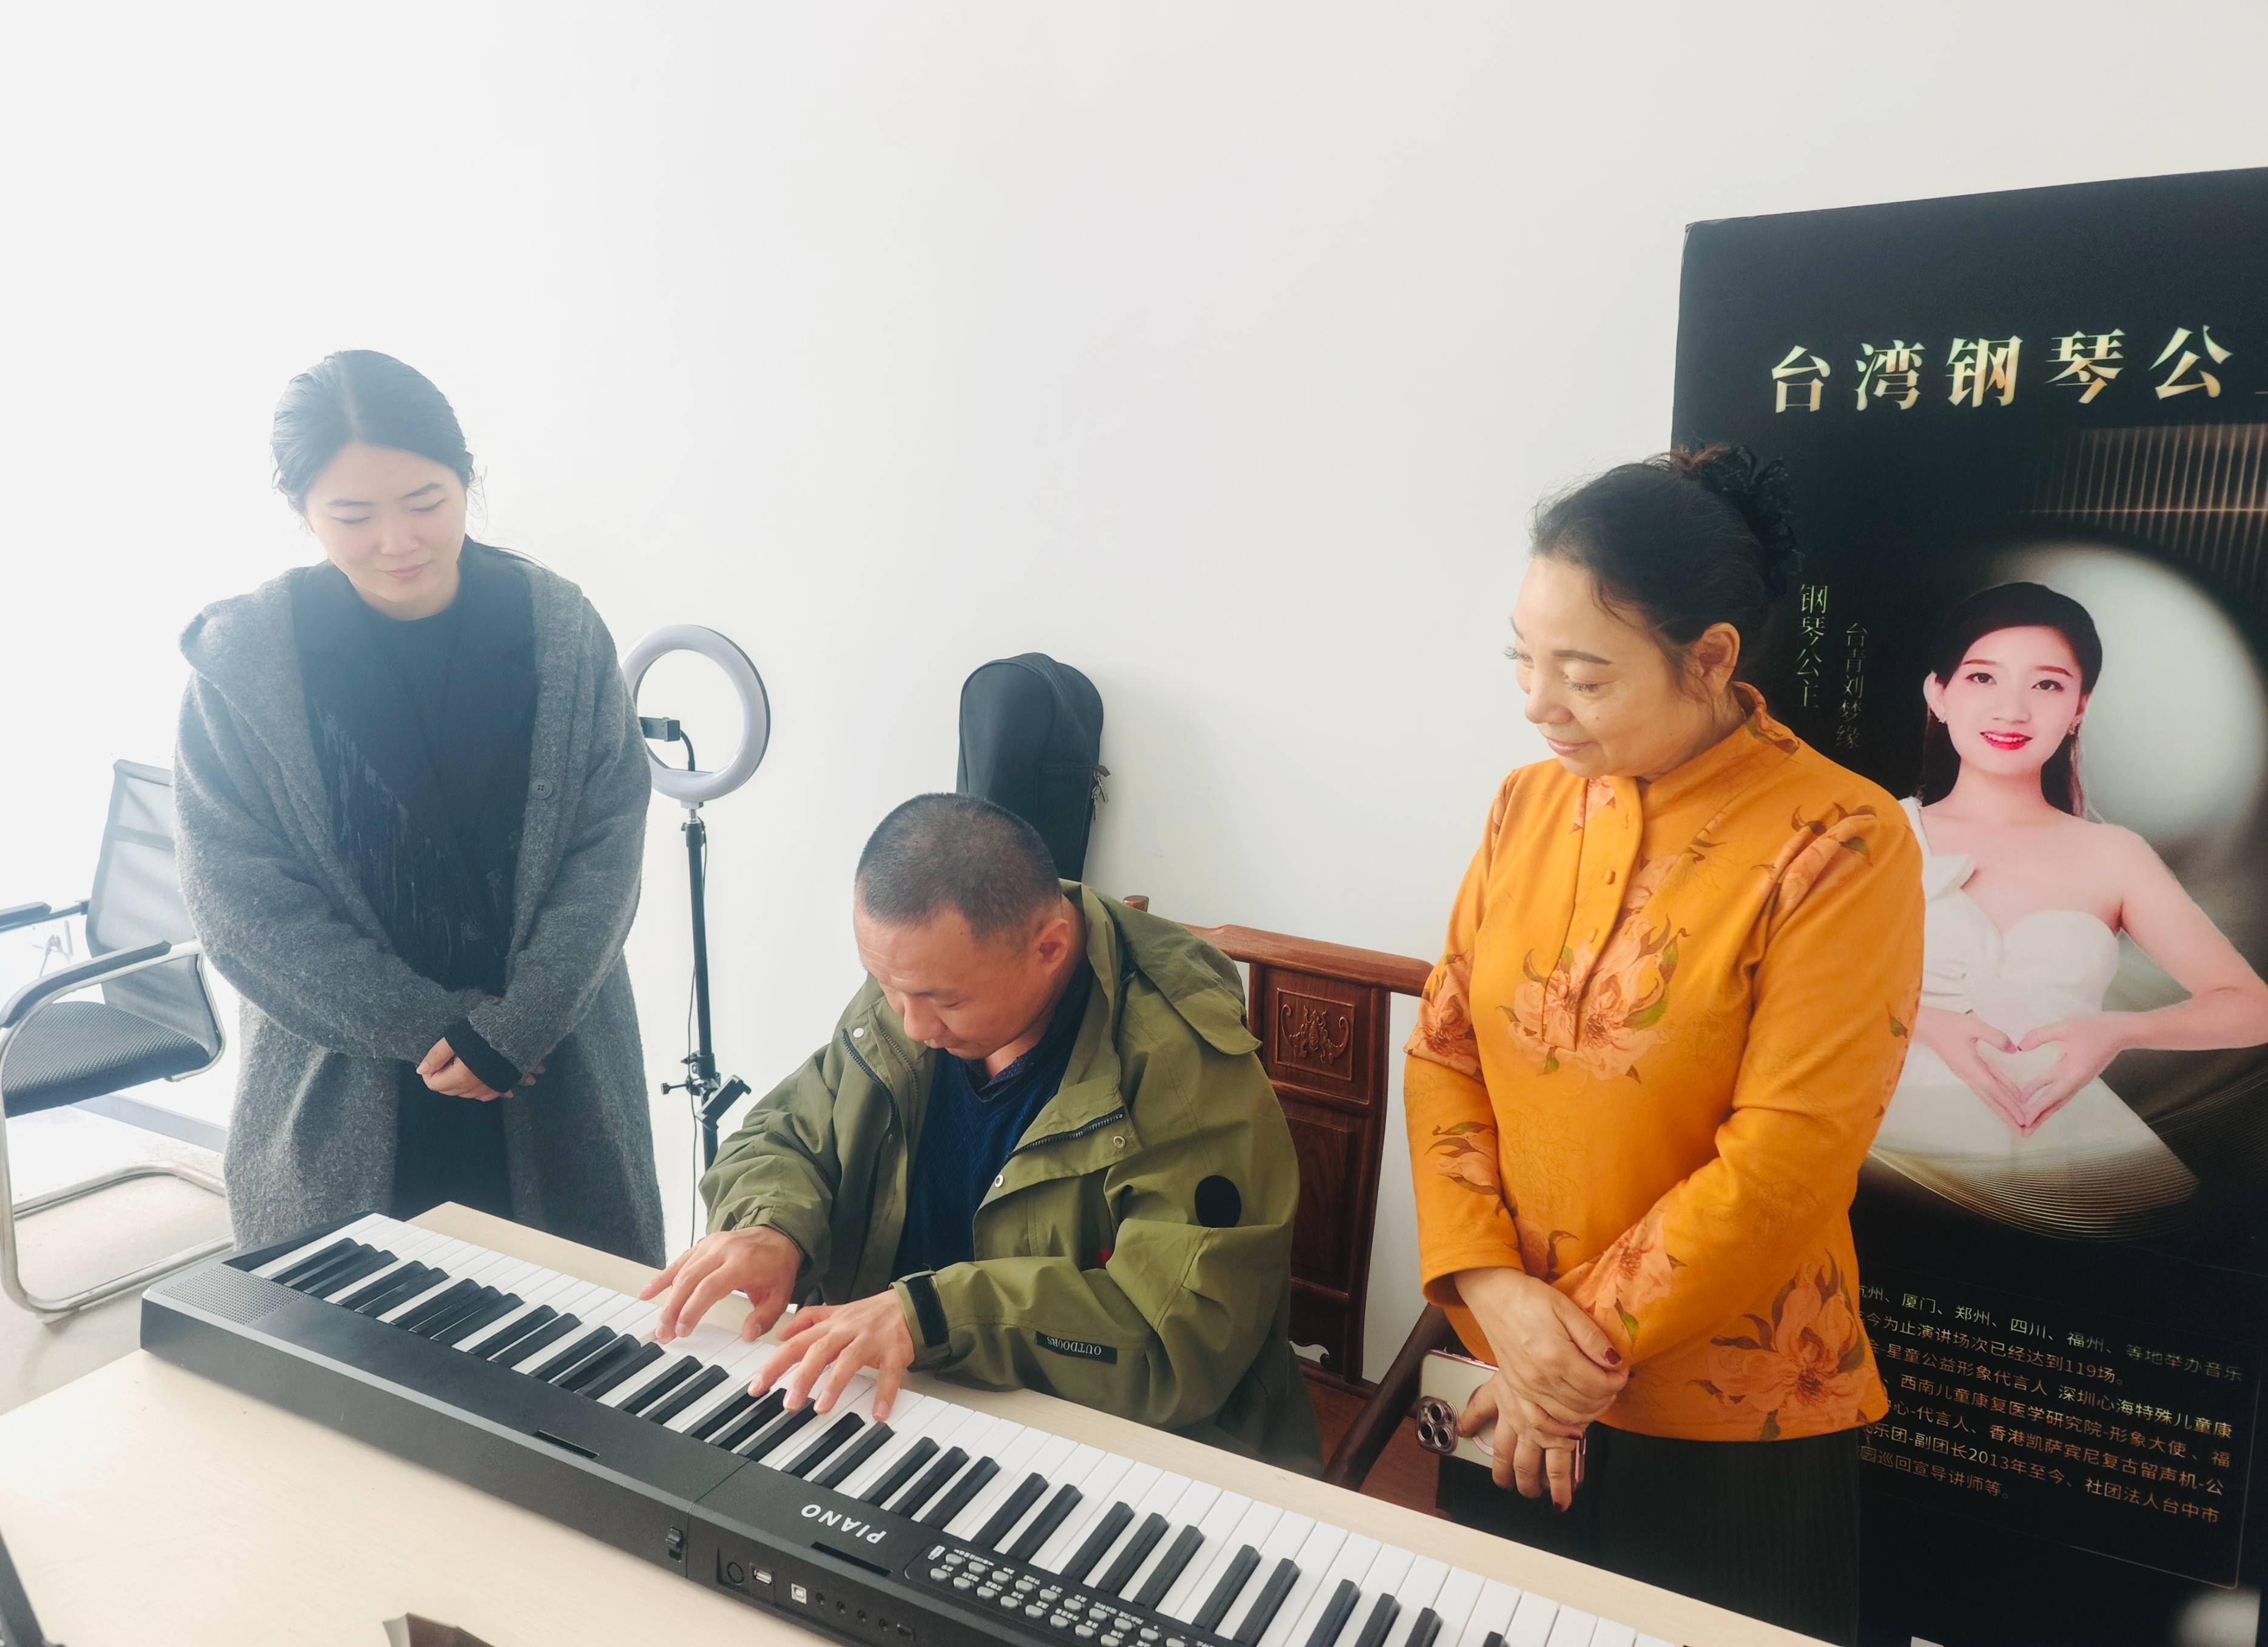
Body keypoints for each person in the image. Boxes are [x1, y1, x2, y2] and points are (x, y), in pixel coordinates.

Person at [1401, 446, 1923, 1643]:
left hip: (1723, 1412)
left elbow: (1788, 1155)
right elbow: (1443, 1052)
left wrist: (1558, 1361)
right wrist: (1494, 1298)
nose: (1538, 702)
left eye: (1583, 675)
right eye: (1522, 658)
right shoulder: (1525, 804)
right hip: (1503, 1361)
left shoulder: (1840, 837)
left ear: (1711, 658)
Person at [639, 793, 1320, 1471]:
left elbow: (1178, 1341)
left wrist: (934, 1315)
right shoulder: (918, 981)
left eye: (944, 1001)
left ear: (1049, 947)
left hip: (1095, 1442)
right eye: (884, 984)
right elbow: (787, 1134)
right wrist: (772, 1226)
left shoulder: (1178, 1068)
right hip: (892, 1395)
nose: (911, 1024)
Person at [174, 349, 664, 1261]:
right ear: (300, 508)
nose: (397, 541)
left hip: (546, 1064)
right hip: (345, 1074)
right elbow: (238, 901)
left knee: (576, 1323)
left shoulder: (558, 627)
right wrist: (431, 1029)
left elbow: (607, 841)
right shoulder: (244, 662)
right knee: (344, 1332)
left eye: (426, 502)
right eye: (353, 516)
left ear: (467, 478)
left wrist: (517, 1027)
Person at [1871, 582, 2268, 1233]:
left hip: (2064, 1167)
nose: (2012, 709)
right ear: (1937, 693)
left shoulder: (2113, 855)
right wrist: (1923, 1021)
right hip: (1883, 1154)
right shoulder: (1874, 833)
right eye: (1982, 677)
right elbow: (1782, 987)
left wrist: (2116, 1031)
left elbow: (2250, 1007)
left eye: (2047, 685)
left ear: (2079, 707)